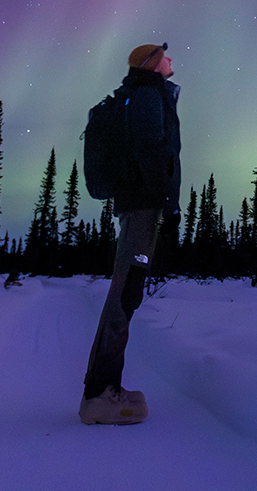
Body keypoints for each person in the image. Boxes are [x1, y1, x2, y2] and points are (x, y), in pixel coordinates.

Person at [79, 43, 181, 425]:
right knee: (126, 292)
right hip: (143, 205)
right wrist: (165, 202)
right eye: (165, 56)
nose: (171, 61)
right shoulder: (145, 95)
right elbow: (151, 148)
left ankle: (102, 388)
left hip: (141, 203)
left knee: (127, 291)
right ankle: (100, 394)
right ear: (152, 64)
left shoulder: (146, 94)